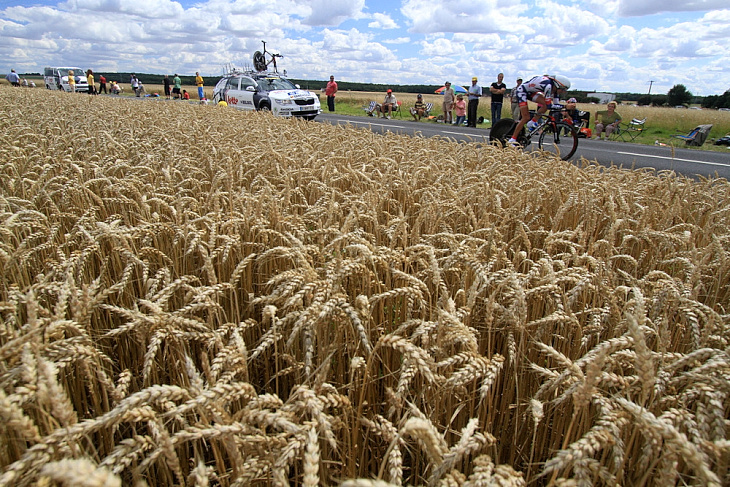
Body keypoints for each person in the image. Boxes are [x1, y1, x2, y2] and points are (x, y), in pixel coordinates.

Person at [507, 74, 571, 146]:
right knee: (526, 117)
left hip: (531, 92)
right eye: (563, 89)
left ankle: (532, 122)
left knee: (545, 105)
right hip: (522, 91)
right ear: (558, 85)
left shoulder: (554, 87)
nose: (563, 92)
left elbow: (556, 103)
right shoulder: (548, 86)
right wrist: (565, 106)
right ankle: (512, 139)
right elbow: (549, 104)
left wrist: (561, 107)